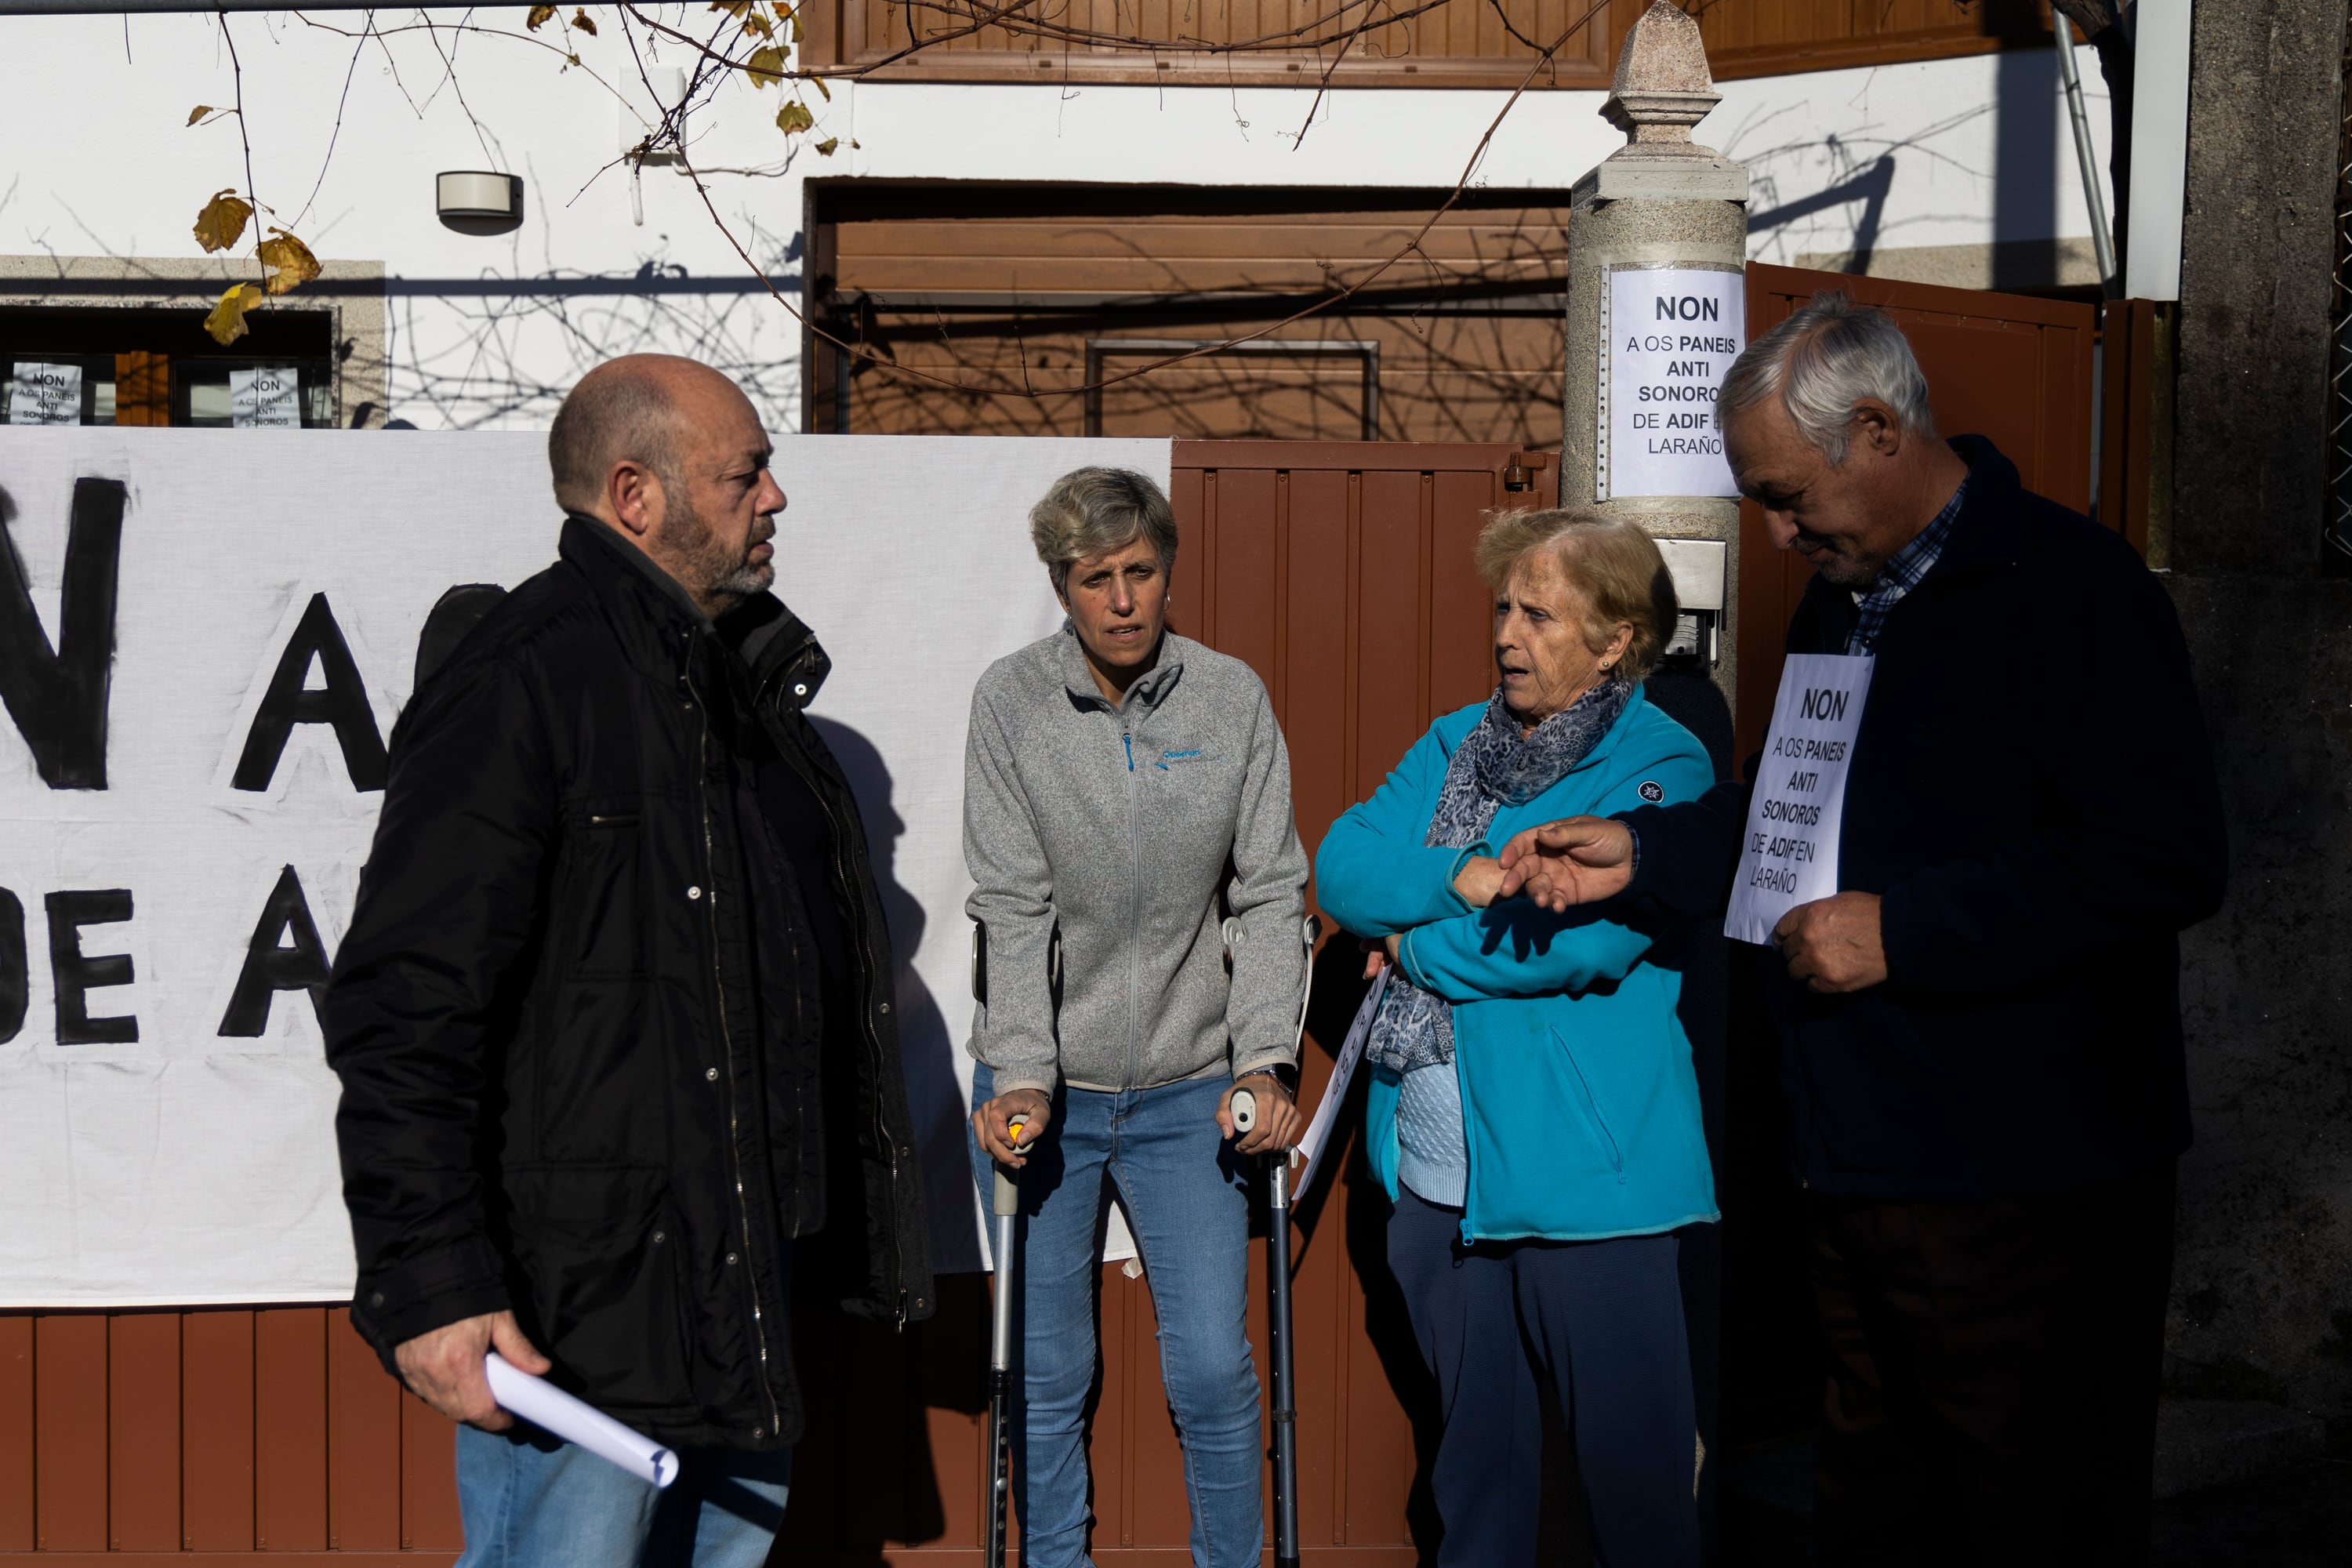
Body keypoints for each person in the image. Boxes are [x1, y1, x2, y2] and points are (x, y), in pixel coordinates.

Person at [1496, 293, 2228, 1566]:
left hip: (2030, 1184)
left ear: (1879, 431)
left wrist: (1911, 932)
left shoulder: (2073, 589)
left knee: (2031, 1509)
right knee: (1878, 1504)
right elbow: (1798, 817)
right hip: (1860, 1163)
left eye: (1787, 496)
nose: (1777, 535)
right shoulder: (1845, 604)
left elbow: (2160, 856)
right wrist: (1649, 851)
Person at [324, 354, 933, 1568]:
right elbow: (407, 1007)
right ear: (634, 494)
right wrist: (434, 1282)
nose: (775, 500)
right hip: (580, 1311)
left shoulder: (743, 696)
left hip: (740, 1287)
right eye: (744, 474)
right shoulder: (522, 680)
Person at [1314, 507, 1716, 1566]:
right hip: (1438, 1183)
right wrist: (1452, 876)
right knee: (1477, 1489)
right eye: (1503, 605)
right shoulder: (1457, 741)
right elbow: (1344, 864)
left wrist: (1410, 952)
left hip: (1591, 1183)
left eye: (1539, 613)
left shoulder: (1661, 762)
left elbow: (1576, 946)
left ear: (1618, 635)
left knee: (1636, 1498)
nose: (1506, 632)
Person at [963, 466, 1308, 1568]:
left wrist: (1264, 1058)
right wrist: (1020, 1068)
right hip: (1044, 1094)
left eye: (1140, 572)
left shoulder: (1229, 698)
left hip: (1189, 1087)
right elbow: (1011, 905)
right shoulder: (1011, 703)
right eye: (1094, 578)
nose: (1121, 600)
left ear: (1169, 572)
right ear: (1060, 587)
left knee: (1211, 1363)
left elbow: (1266, 892)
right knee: (1050, 1370)